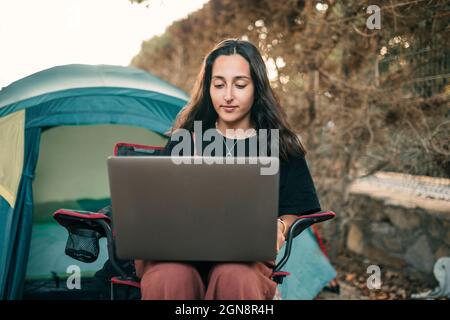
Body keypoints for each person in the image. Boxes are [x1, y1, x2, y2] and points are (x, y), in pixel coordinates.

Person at [134, 39, 322, 300]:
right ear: (208, 88)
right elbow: (160, 203)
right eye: (219, 84)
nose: (228, 95)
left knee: (235, 275)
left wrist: (279, 225)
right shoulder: (186, 139)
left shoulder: (280, 145)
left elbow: (296, 209)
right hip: (177, 252)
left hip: (245, 257)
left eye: (240, 84)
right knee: (170, 276)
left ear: (257, 87)